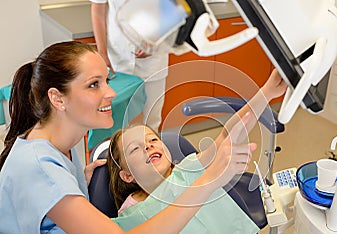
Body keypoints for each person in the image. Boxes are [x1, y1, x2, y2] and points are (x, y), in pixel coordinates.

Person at [0, 41, 285, 234]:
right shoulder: (39, 169)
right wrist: (208, 179)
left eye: (106, 80)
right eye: (93, 84)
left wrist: (268, 91)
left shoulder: (69, 138)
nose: (110, 93)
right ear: (57, 98)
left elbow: (225, 136)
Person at [108, 68, 287, 214]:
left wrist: (268, 91)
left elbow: (227, 135)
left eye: (153, 139)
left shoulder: (187, 171)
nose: (148, 145)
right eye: (134, 149)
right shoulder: (132, 212)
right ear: (127, 175)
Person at [91, 0, 168, 131]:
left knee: (151, 119)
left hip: (153, 60)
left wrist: (157, 40)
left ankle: (148, 150)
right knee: (117, 122)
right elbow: (98, 10)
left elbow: (175, 9)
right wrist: (102, 54)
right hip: (116, 59)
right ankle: (120, 151)